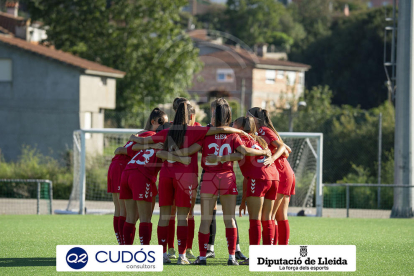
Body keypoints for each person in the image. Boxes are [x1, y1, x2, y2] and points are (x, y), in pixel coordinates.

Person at [130, 102, 250, 264]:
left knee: (164, 216)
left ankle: (164, 255)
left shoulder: (166, 131)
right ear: (191, 116)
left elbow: (138, 144)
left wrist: (148, 144)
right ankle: (182, 256)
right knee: (184, 217)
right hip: (188, 177)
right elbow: (221, 130)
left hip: (166, 176)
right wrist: (237, 130)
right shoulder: (197, 130)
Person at [166, 103, 269, 265]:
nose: (211, 118)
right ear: (228, 118)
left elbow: (191, 150)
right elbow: (242, 153)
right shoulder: (234, 136)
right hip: (228, 177)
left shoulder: (206, 135)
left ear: (214, 118)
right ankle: (231, 257)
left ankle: (201, 257)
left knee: (205, 219)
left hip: (209, 179)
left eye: (213, 115)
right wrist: (264, 151)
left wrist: (174, 152)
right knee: (230, 218)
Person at [203, 98, 247, 260]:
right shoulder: (209, 130)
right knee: (212, 214)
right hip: (211, 173)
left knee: (228, 215)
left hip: (222, 174)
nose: (213, 115)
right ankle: (210, 248)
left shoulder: (230, 132)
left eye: (215, 111)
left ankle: (235, 249)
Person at [233, 116, 280, 265]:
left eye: (234, 124)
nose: (232, 126)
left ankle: (255, 258)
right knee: (267, 218)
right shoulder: (259, 140)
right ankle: (268, 257)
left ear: (240, 128)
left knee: (254, 219)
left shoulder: (239, 138)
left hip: (259, 178)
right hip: (273, 177)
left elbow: (243, 151)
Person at [248, 107, 295, 245]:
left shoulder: (263, 130)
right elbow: (288, 149)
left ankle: (271, 252)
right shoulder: (261, 131)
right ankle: (279, 250)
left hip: (281, 173)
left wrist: (272, 158)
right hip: (285, 172)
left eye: (248, 116)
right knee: (279, 215)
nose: (246, 119)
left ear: (255, 119)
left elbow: (282, 148)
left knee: (270, 216)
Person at [167, 97, 200, 260]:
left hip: (190, 174)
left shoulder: (197, 128)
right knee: (174, 212)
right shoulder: (170, 128)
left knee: (188, 212)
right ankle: (172, 248)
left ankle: (187, 248)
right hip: (176, 174)